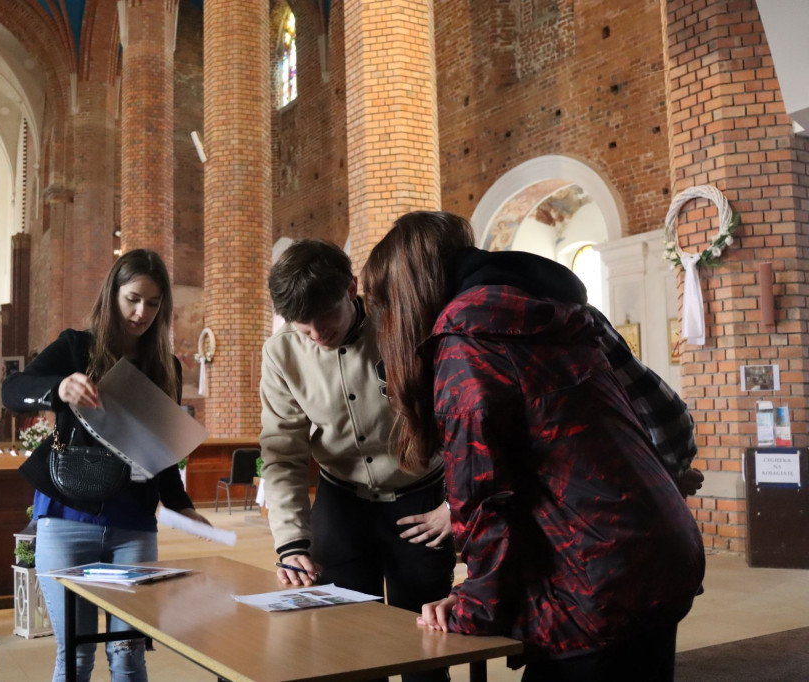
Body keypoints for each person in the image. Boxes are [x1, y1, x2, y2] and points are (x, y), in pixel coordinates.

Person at [361, 211, 705, 682]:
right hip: (659, 554)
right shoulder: (564, 312)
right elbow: (664, 416)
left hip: (594, 583)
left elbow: (484, 499)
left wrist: (476, 606)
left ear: (408, 296)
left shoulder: (466, 344)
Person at [3, 249, 210, 682]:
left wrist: (181, 504)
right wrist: (59, 387)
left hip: (133, 525)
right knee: (75, 657)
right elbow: (12, 389)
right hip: (67, 518)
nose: (141, 312)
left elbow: (161, 451)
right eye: (133, 298)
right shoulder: (76, 347)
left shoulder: (163, 366)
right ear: (112, 293)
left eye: (154, 304)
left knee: (129, 655)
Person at [259, 239, 455, 682]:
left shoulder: (405, 325)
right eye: (302, 325)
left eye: (323, 317)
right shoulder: (281, 353)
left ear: (351, 288)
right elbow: (282, 452)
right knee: (347, 648)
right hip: (341, 505)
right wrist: (291, 543)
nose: (315, 334)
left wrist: (457, 503)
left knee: (424, 646)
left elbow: (460, 419)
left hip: (421, 504)